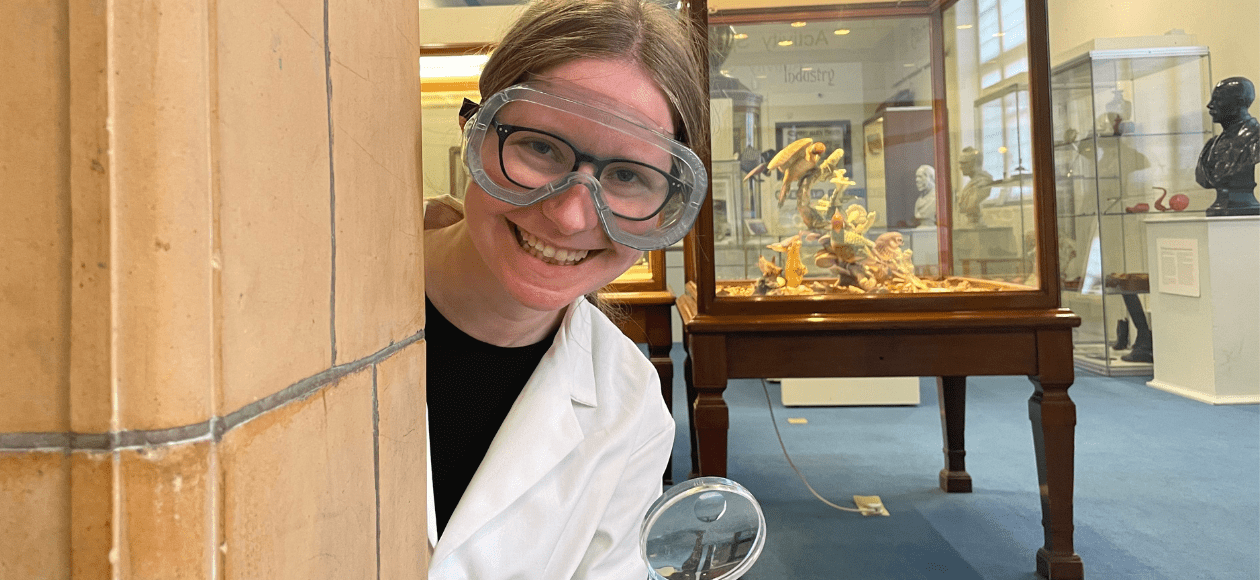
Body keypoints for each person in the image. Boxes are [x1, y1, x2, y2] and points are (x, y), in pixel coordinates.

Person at [421, 1, 707, 578]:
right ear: (475, 134)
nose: (572, 217)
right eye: (541, 147)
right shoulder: (306, 303)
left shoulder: (631, 406)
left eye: (627, 176)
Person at [1196, 76, 1260, 216]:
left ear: (1238, 103)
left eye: (1218, 99)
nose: (1210, 105)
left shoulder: (1256, 138)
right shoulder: (1210, 146)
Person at [955, 147, 993, 227]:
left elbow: (972, 205)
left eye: (964, 163)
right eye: (960, 163)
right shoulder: (971, 183)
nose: (960, 167)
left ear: (974, 163)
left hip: (977, 226)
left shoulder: (984, 182)